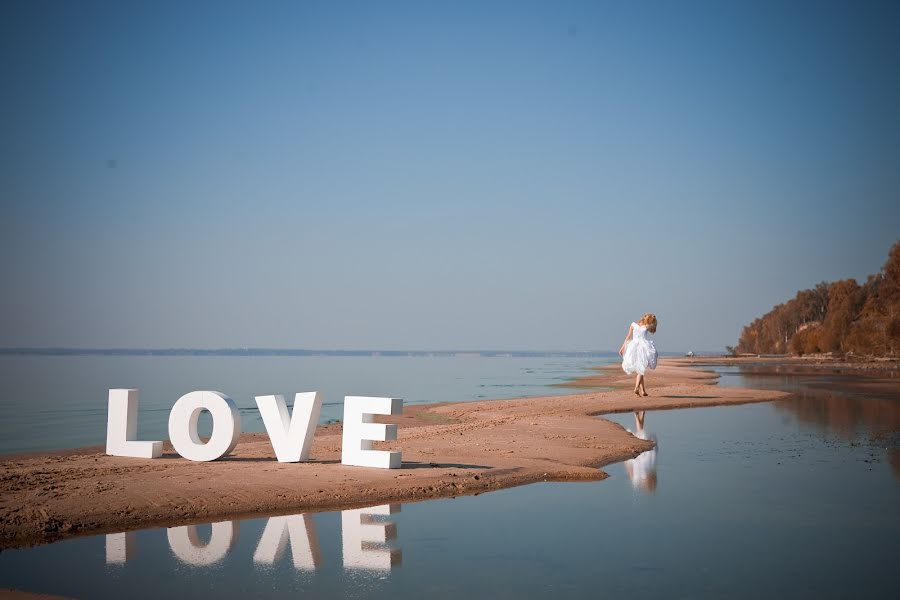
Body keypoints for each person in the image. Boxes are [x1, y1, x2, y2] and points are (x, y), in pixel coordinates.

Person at [618, 313, 658, 396]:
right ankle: (636, 388)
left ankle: (643, 391)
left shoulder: (635, 325)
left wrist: (622, 347)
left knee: (640, 368)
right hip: (641, 348)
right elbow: (628, 337)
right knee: (641, 368)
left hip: (635, 347)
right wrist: (622, 348)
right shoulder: (645, 326)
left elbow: (628, 337)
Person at [624, 410, 658, 493]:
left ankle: (639, 414)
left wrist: (626, 460)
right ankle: (638, 414)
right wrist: (626, 460)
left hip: (640, 455)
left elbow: (630, 470)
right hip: (639, 456)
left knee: (640, 432)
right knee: (640, 431)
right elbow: (630, 471)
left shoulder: (638, 480)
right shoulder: (637, 481)